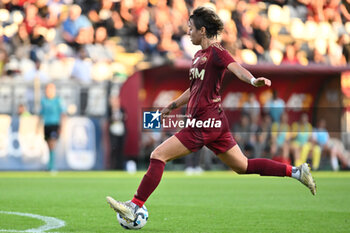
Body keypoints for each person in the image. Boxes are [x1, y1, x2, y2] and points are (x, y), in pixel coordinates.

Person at [106, 7, 316, 221]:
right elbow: (195, 88)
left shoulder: (217, 52)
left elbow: (236, 68)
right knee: (243, 166)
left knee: (158, 155)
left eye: (191, 29)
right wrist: (173, 105)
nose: (188, 32)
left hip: (204, 122)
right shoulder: (198, 55)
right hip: (215, 122)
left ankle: (135, 205)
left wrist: (253, 80)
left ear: (203, 31)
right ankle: (297, 172)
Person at [40, 83, 65, 171]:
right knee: (48, 145)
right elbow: (41, 114)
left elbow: (63, 114)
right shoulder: (43, 101)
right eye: (47, 89)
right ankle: (50, 164)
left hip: (55, 125)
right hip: (46, 125)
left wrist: (62, 126)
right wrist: (38, 126)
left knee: (52, 144)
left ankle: (52, 165)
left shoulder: (58, 101)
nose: (48, 91)